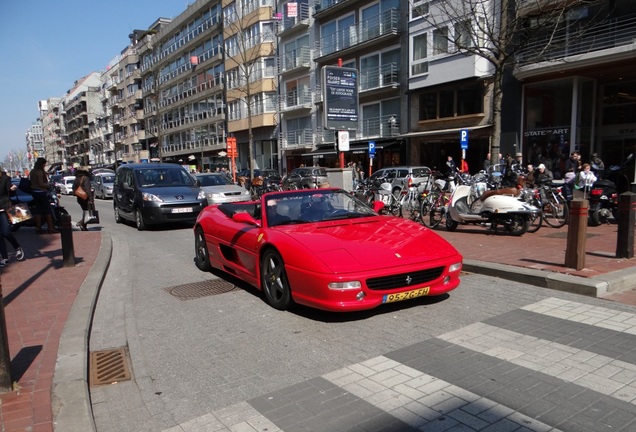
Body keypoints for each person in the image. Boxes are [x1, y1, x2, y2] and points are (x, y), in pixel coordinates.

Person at [0, 170, 25, 266]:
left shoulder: (4, 178)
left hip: (3, 208)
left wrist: (12, 189)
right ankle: (5, 258)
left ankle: (17, 247)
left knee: (6, 232)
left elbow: (10, 191)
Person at [29, 157, 59, 234]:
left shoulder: (32, 171)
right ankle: (50, 227)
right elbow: (41, 183)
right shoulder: (39, 172)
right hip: (40, 192)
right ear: (42, 164)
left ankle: (38, 227)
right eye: (44, 164)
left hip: (34, 192)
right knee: (47, 210)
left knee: (38, 210)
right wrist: (48, 185)